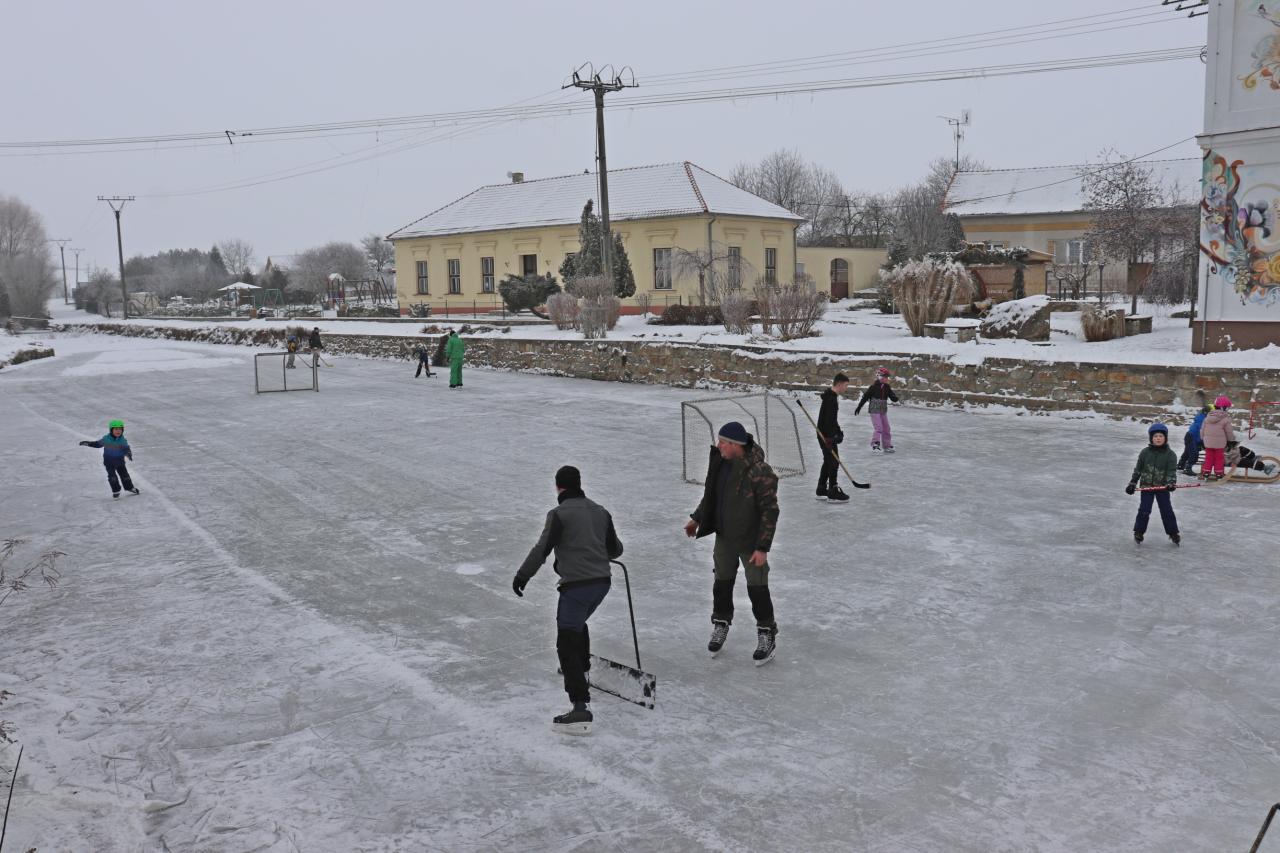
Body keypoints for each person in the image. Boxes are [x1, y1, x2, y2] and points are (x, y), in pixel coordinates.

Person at [513, 465, 623, 735]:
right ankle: (582, 672)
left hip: (576, 587)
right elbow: (615, 549)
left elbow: (542, 549)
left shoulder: (559, 514)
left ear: (558, 487)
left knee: (566, 642)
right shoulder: (601, 511)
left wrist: (522, 575)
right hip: (601, 584)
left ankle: (580, 709)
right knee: (576, 626)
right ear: (579, 484)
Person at [684, 421, 780, 665]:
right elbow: (712, 495)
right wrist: (697, 518)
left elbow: (770, 511)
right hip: (725, 537)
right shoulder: (721, 463)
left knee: (757, 588)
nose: (719, 446)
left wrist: (762, 547)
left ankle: (766, 632)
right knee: (722, 583)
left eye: (723, 442)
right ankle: (721, 623)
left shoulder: (760, 471)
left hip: (751, 542)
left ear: (736, 445)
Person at [1125, 422, 1180, 545]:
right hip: (1147, 487)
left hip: (1163, 488)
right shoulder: (1145, 452)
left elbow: (1171, 472)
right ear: (1151, 438)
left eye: (1161, 436)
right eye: (1155, 436)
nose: (1158, 438)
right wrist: (1133, 483)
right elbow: (1138, 469)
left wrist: (1171, 483)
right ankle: (1139, 532)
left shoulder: (1170, 455)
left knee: (1166, 510)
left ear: (1165, 438)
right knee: (1144, 510)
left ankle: (1173, 533)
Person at [79, 419, 140, 500]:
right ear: (111, 430)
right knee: (112, 477)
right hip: (109, 463)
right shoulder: (106, 439)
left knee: (125, 476)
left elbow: (126, 449)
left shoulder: (123, 440)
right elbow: (97, 444)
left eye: (120, 429)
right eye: (116, 429)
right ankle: (116, 490)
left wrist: (128, 454)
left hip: (120, 462)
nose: (118, 431)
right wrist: (88, 443)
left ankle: (129, 487)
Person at [815, 373, 850, 502]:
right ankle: (833, 491)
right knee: (834, 462)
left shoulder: (831, 397)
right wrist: (832, 439)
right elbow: (829, 423)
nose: (846, 388)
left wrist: (838, 432)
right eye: (845, 385)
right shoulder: (831, 400)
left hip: (825, 435)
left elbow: (832, 421)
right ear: (839, 384)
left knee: (828, 461)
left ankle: (821, 488)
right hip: (826, 437)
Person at [853, 367, 900, 452]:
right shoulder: (873, 387)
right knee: (879, 428)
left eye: (887, 377)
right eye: (885, 377)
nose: (887, 378)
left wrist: (895, 398)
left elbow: (892, 396)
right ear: (879, 376)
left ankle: (887, 446)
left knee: (886, 428)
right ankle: (875, 444)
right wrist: (859, 407)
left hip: (883, 410)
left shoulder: (887, 387)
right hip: (874, 410)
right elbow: (865, 397)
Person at [1199, 395, 1235, 480]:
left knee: (1209, 457)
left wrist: (1202, 439)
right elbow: (1229, 432)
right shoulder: (1225, 419)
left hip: (1208, 443)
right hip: (1219, 444)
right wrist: (1231, 441)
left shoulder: (1207, 417)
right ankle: (1219, 474)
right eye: (1227, 408)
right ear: (1223, 408)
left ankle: (1206, 472)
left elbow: (1202, 429)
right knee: (1219, 459)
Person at [1178, 404, 1210, 475]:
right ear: (1206, 412)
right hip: (1192, 437)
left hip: (1189, 436)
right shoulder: (1203, 419)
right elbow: (1200, 431)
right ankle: (1188, 469)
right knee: (1194, 454)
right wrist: (1201, 442)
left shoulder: (1201, 417)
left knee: (1187, 452)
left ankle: (1180, 465)